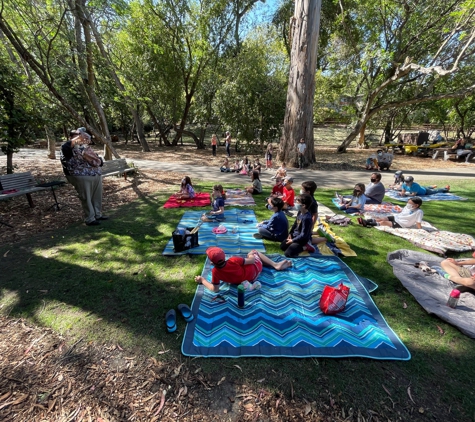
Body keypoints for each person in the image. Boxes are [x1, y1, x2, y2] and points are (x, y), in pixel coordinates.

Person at [60, 128, 107, 226]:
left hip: (95, 174)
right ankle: (90, 218)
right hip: (80, 176)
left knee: (96, 196)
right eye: (77, 136)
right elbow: (69, 147)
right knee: (86, 197)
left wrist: (97, 160)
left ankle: (97, 214)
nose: (81, 138)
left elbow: (99, 161)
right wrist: (79, 137)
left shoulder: (85, 147)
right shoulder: (66, 147)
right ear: (71, 137)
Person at [194, 247, 292, 293]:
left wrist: (203, 280)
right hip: (255, 270)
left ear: (212, 262)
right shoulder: (233, 260)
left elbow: (215, 289)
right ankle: (275, 265)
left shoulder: (215, 272)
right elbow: (252, 260)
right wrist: (250, 255)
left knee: (254, 258)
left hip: (246, 281)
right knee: (254, 252)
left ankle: (273, 265)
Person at [358, 197, 423, 229]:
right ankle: (365, 221)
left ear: (417, 205)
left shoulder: (418, 212)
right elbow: (403, 212)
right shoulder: (407, 207)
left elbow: (418, 222)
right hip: (397, 217)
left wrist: (420, 229)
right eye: (408, 202)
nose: (408, 204)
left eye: (410, 203)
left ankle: (367, 223)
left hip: (402, 223)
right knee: (382, 218)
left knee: (383, 223)